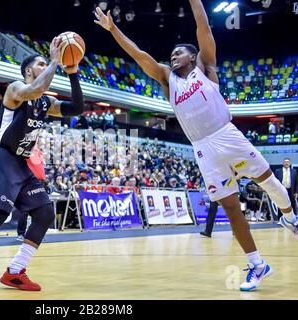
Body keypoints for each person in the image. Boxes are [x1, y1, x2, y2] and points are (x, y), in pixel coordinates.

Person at [94, 0, 297, 292]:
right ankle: (257, 264)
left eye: (179, 53)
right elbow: (139, 55)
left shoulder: (206, 67)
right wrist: (113, 29)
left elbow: (203, 26)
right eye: (172, 54)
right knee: (230, 208)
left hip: (226, 133)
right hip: (203, 148)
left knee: (267, 180)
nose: (173, 56)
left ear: (193, 56)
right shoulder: (167, 79)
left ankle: (290, 217)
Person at [0, 37, 84, 293]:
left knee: (45, 212)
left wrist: (73, 72)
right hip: (1, 154)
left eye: (47, 62)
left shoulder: (45, 103)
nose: (47, 65)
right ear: (28, 71)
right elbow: (34, 90)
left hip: (21, 162)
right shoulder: (16, 89)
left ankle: (15, 272)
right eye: (42, 63)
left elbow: (76, 108)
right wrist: (56, 61)